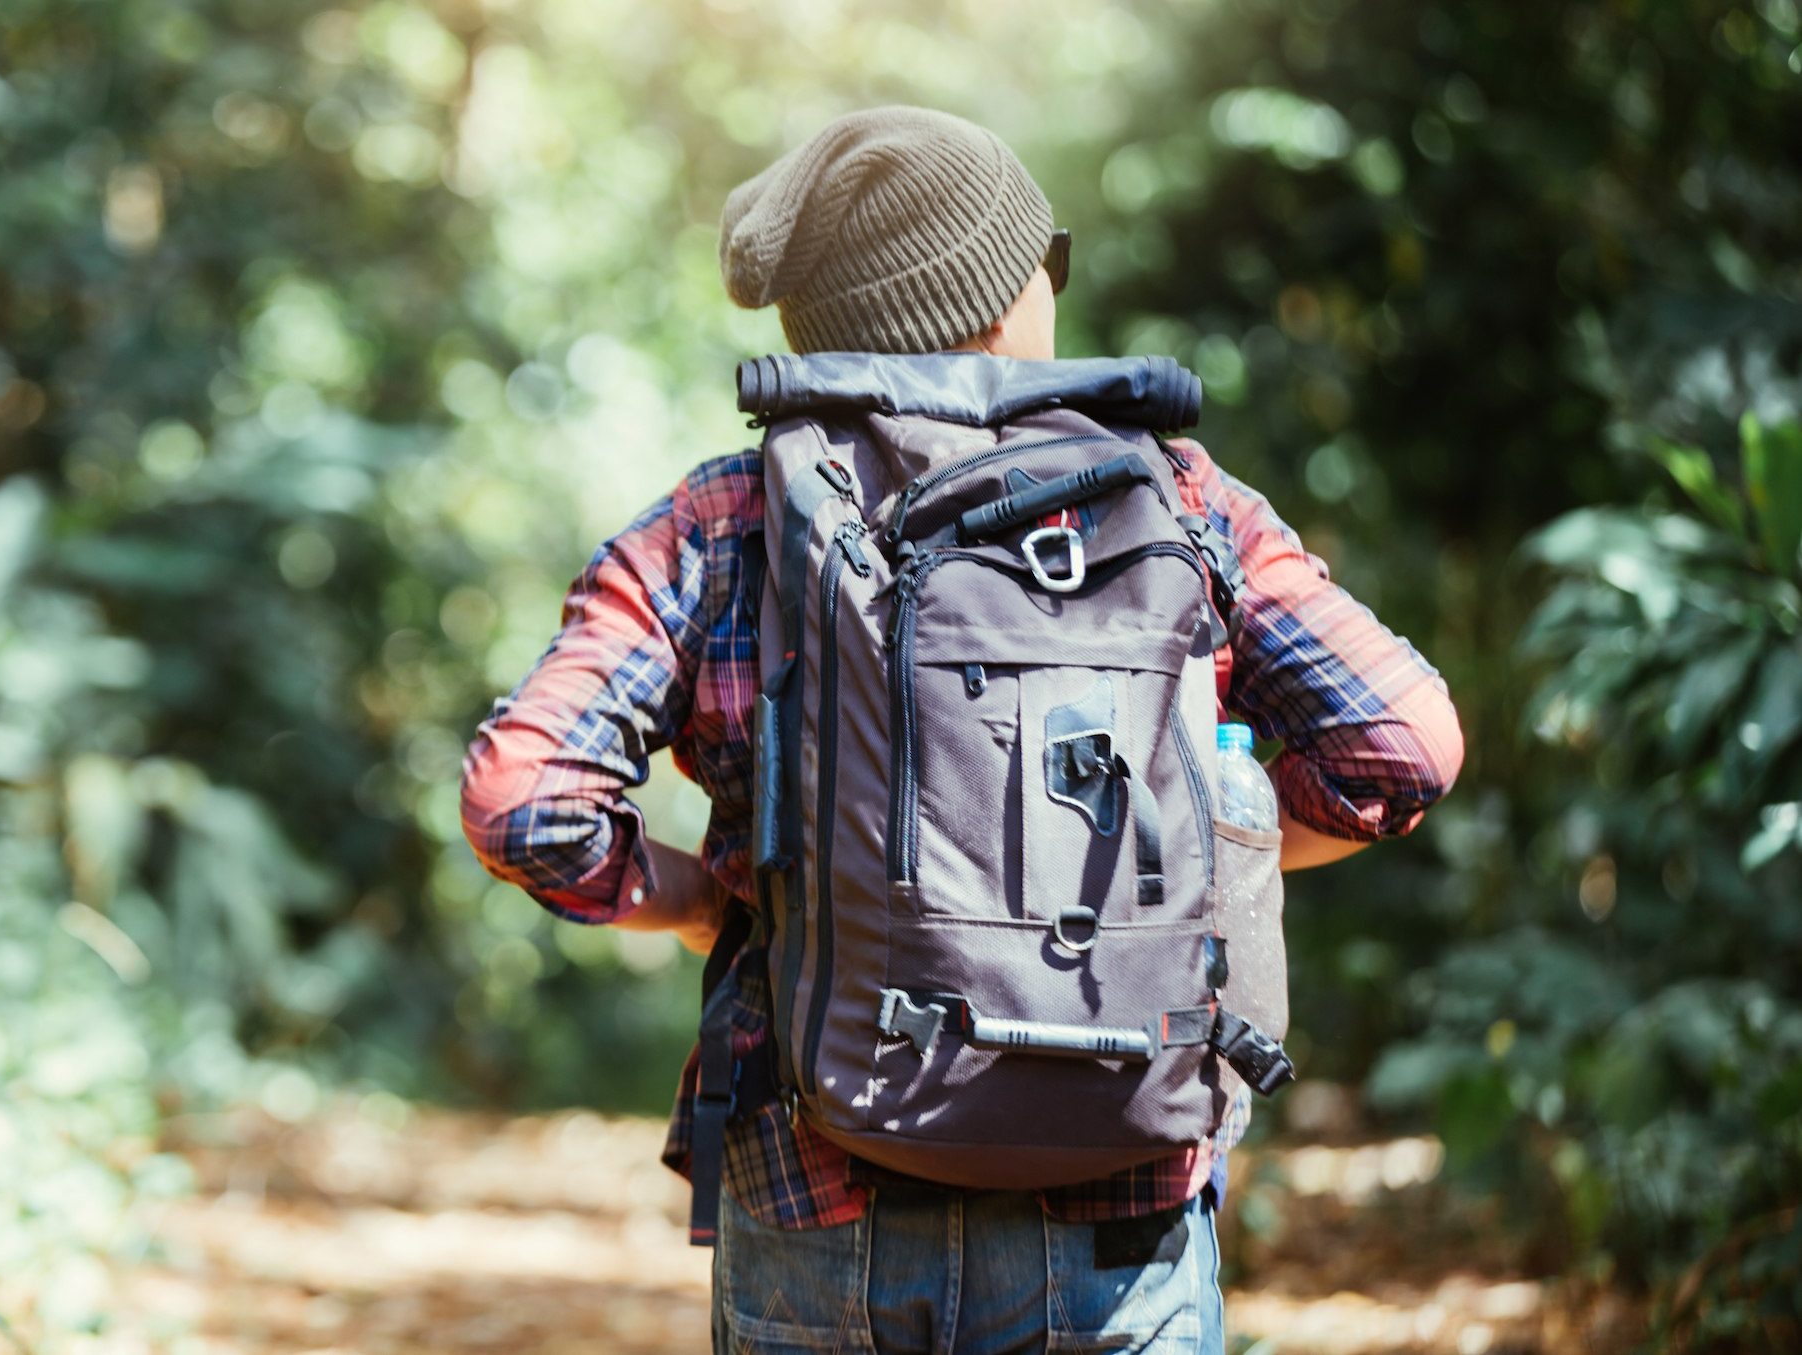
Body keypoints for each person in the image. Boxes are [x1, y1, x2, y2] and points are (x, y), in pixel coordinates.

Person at [460, 106, 1464, 1355]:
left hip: (814, 1189)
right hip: (1120, 1201)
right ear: (1000, 306)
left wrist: (715, 904)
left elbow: (524, 804)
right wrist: (1202, 856)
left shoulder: (728, 519)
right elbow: (1403, 746)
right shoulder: (1175, 492)